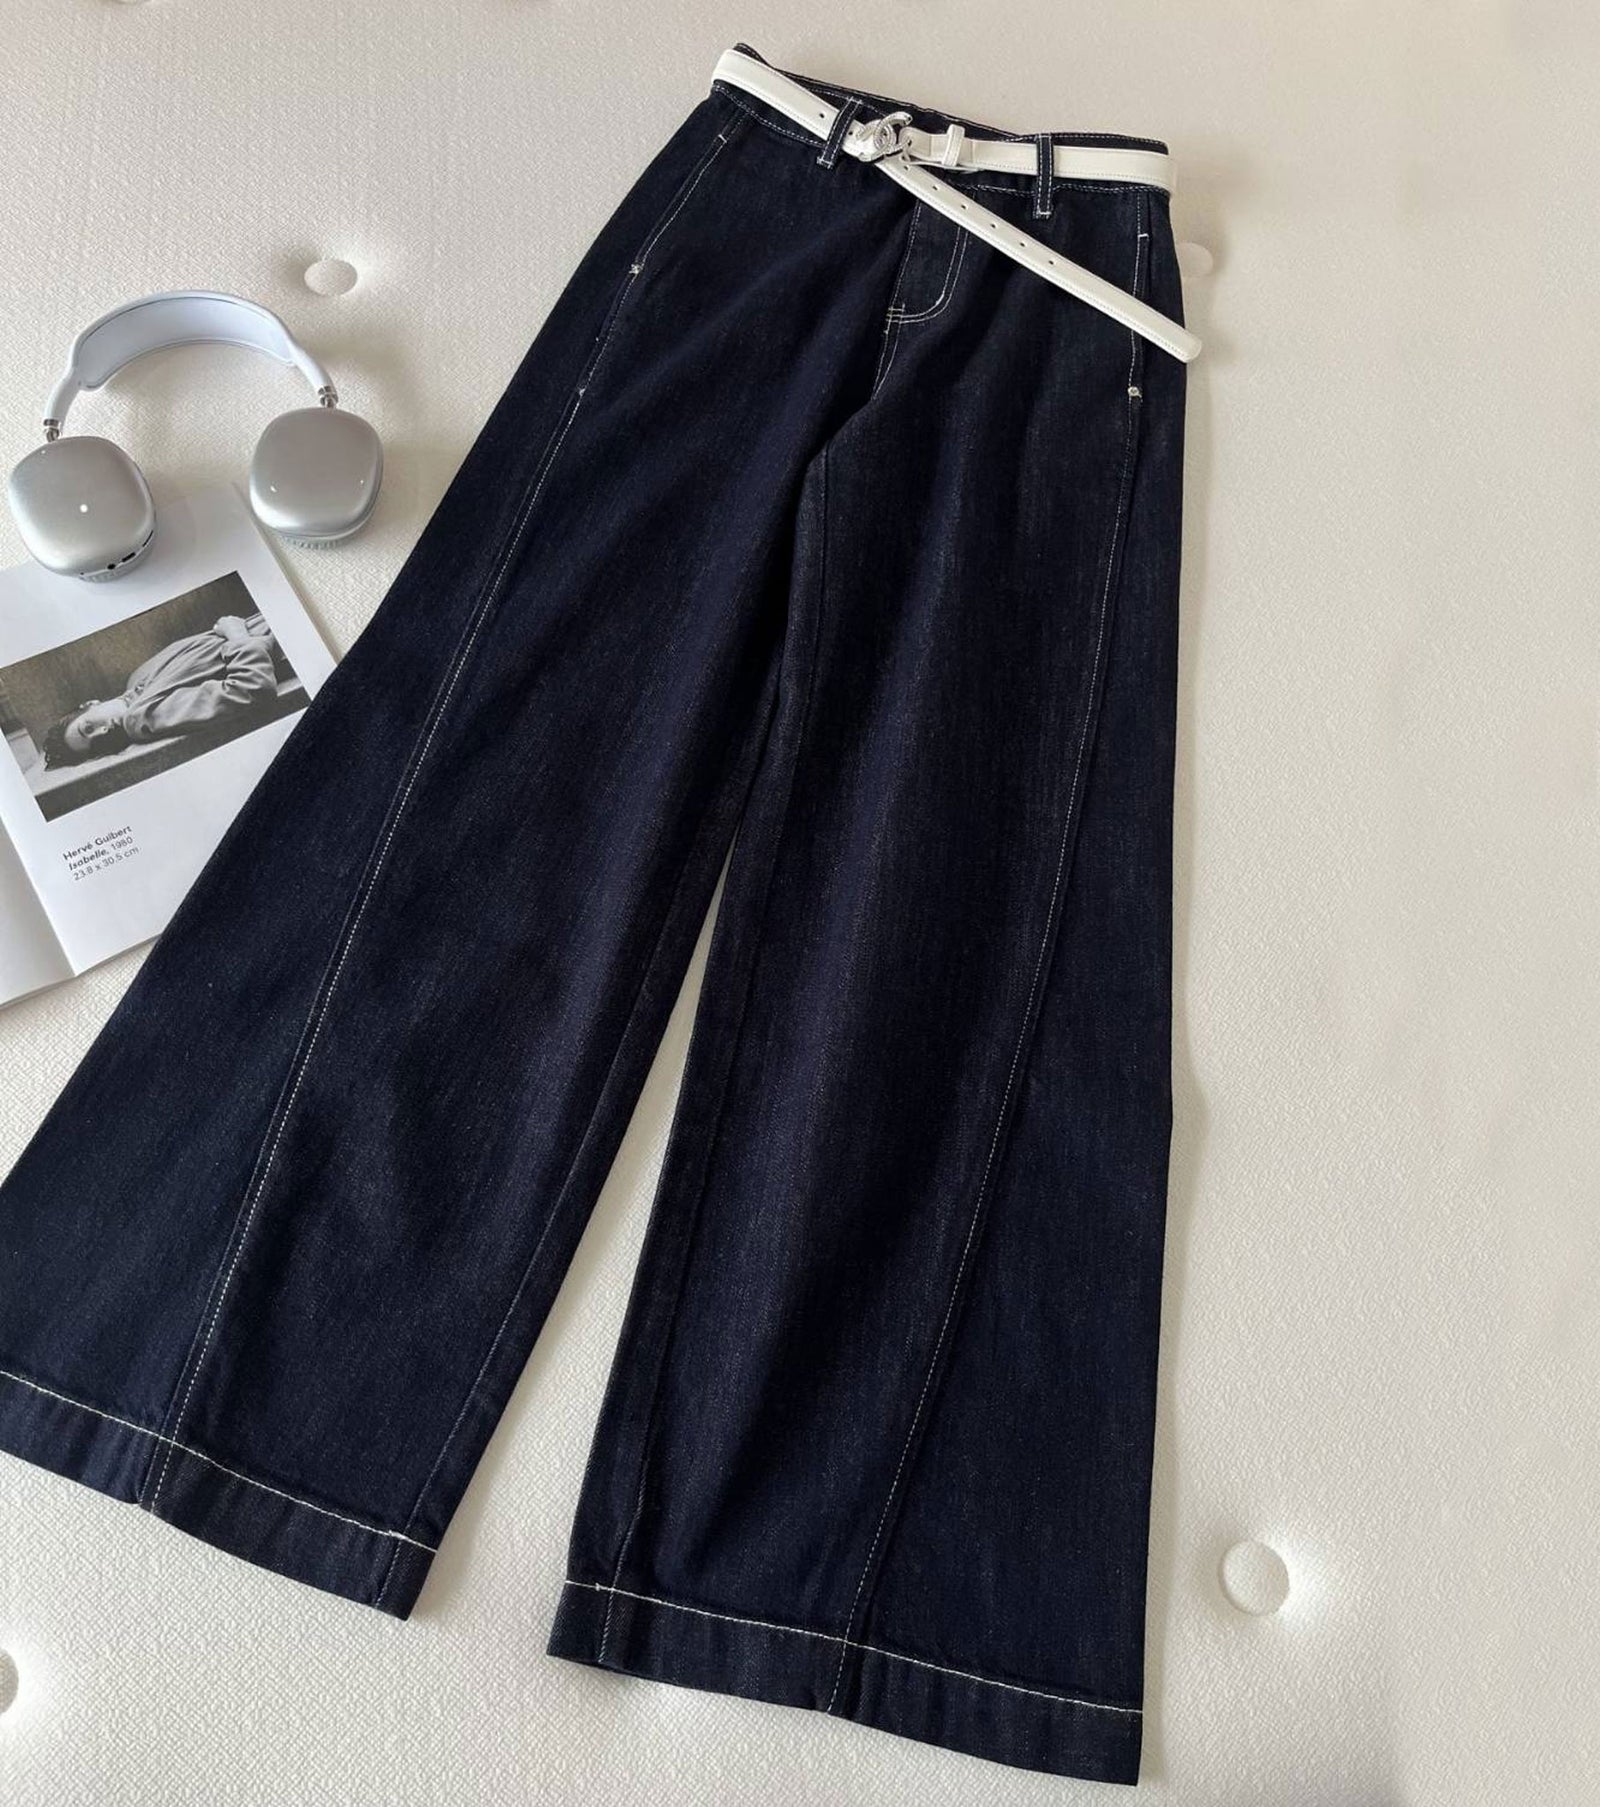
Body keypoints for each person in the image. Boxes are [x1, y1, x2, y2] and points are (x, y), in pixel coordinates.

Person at [40, 610, 280, 769]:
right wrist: (236, 633)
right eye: (97, 745)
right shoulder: (140, 719)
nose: (103, 732)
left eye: (88, 728)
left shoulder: (138, 677)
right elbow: (250, 689)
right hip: (277, 637)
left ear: (90, 704)